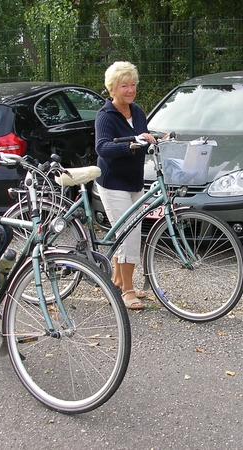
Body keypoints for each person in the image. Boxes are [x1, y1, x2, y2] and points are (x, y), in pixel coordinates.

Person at [95, 61, 156, 310]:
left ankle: (119, 280)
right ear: (112, 89)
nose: (130, 90)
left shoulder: (137, 111)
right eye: (124, 86)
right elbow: (102, 147)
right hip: (113, 183)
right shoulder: (105, 116)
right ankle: (127, 291)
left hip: (134, 181)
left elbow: (142, 136)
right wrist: (130, 144)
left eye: (133, 85)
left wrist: (153, 139)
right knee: (128, 237)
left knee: (130, 234)